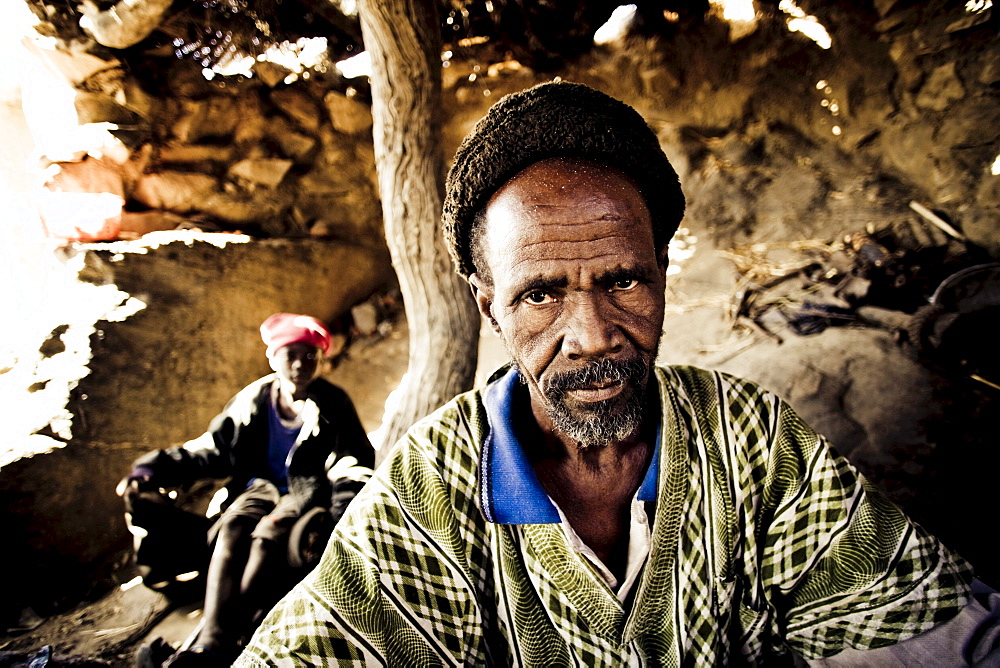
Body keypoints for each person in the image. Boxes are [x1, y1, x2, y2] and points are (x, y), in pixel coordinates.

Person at [237, 83, 1000, 666]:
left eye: (625, 281)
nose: (593, 335)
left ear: (664, 273)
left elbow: (920, 625)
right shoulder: (429, 489)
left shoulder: (752, 441)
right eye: (539, 294)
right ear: (489, 309)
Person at [120, 313, 374, 667]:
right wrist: (152, 466)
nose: (301, 364)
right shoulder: (253, 400)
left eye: (310, 355)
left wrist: (336, 517)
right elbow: (212, 449)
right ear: (272, 358)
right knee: (233, 527)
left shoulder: (332, 404)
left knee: (267, 537)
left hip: (303, 496)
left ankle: (216, 642)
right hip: (258, 490)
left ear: (320, 359)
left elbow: (353, 462)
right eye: (290, 355)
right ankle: (212, 642)